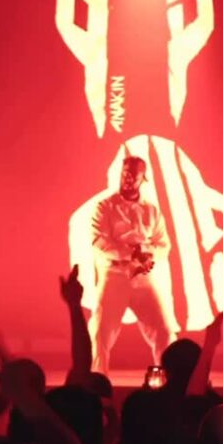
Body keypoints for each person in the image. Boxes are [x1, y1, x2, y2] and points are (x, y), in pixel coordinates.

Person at [90, 156, 176, 373]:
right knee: (100, 334)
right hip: (114, 276)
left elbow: (164, 244)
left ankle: (166, 382)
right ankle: (96, 383)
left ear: (143, 178)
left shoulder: (152, 210)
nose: (127, 179)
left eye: (133, 175)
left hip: (143, 279)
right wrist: (132, 254)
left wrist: (147, 254)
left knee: (164, 332)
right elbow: (99, 241)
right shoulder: (104, 207)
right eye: (125, 173)